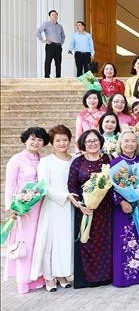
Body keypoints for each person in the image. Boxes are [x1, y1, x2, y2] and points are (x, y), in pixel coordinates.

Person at [4, 127, 50, 293]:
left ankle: (38, 277)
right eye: (32, 139)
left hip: (42, 206)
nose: (36, 142)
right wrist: (11, 207)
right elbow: (9, 185)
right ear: (25, 140)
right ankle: (23, 280)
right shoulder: (16, 160)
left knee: (40, 242)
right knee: (26, 243)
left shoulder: (43, 159)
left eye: (39, 139)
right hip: (24, 209)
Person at [29, 125, 75, 291]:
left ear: (70, 141)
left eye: (65, 140)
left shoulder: (74, 159)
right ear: (52, 143)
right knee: (50, 242)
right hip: (53, 206)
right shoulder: (46, 162)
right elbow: (44, 186)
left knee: (65, 242)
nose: (62, 143)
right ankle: (49, 277)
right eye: (58, 141)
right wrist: (65, 196)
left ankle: (61, 273)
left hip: (70, 206)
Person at [68, 129, 113, 288]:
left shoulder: (108, 159)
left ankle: (106, 277)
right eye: (89, 141)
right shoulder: (77, 162)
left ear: (100, 141)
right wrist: (80, 205)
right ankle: (87, 279)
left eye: (95, 140)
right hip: (85, 209)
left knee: (106, 242)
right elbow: (72, 187)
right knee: (86, 242)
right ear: (83, 144)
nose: (92, 144)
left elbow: (116, 182)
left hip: (106, 210)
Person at [109, 130, 139, 287]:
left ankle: (138, 275)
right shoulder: (115, 163)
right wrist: (121, 202)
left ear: (137, 143)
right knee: (124, 240)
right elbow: (110, 187)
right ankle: (123, 277)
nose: (129, 144)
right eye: (126, 141)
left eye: (133, 141)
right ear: (120, 144)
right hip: (122, 210)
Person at [36, 9, 65, 78]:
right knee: (48, 61)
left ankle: (58, 76)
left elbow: (63, 36)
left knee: (58, 62)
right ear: (50, 16)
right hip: (50, 46)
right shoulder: (46, 24)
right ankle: (47, 76)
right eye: (52, 15)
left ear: (57, 16)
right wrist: (43, 41)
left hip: (58, 46)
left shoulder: (60, 26)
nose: (54, 16)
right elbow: (38, 32)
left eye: (55, 14)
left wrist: (61, 42)